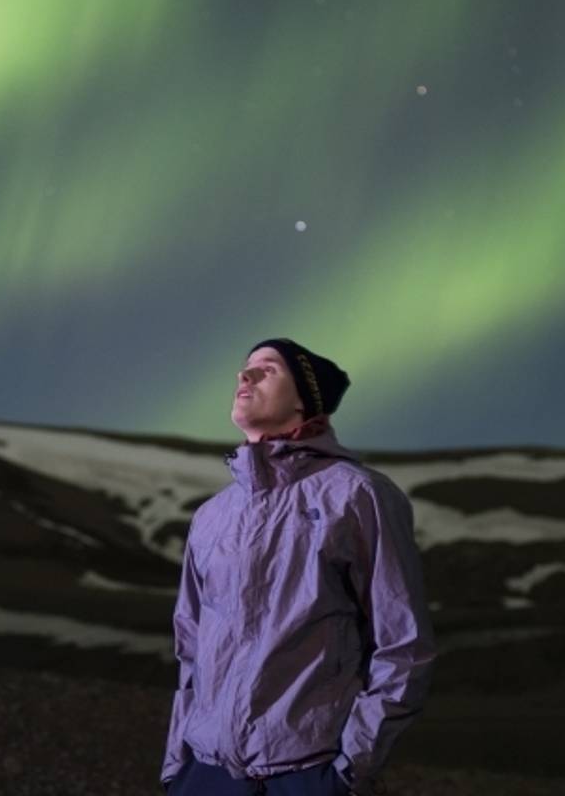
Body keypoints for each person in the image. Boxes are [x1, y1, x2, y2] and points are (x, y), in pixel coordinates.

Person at [161, 338, 437, 795]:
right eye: (245, 367)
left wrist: (349, 769)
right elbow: (190, 645)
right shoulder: (212, 515)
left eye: (268, 369)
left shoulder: (357, 495)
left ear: (304, 401)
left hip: (307, 771)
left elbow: (403, 644)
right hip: (207, 772)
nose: (245, 376)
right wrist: (178, 767)